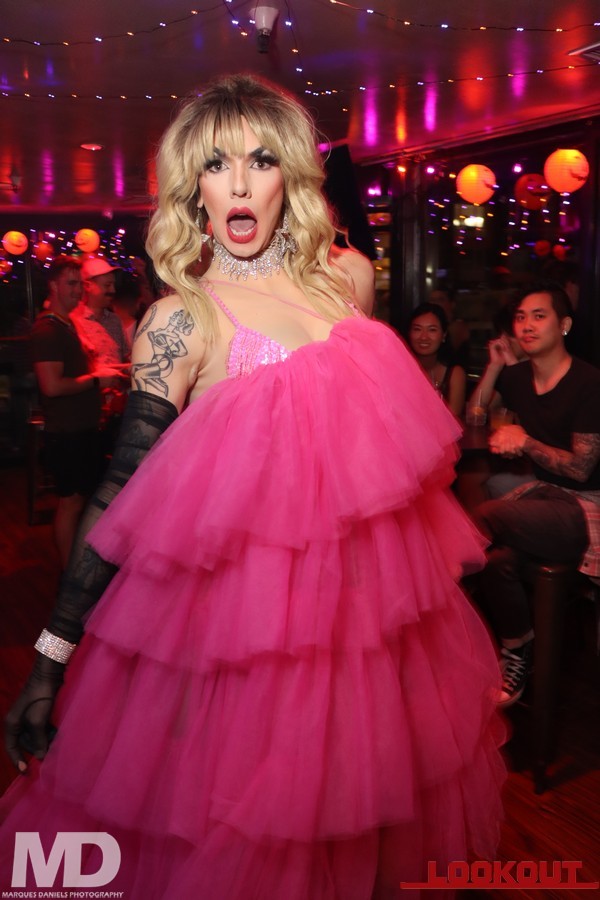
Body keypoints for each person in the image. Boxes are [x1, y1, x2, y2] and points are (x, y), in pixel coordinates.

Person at [1, 75, 505, 898]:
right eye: (215, 164)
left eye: (261, 160)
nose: (238, 183)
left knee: (355, 813)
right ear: (192, 189)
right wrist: (51, 660)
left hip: (356, 620)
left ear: (290, 178)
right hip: (241, 633)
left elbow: (380, 464)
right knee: (237, 832)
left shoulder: (347, 284)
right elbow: (119, 495)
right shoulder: (182, 318)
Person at [473, 281, 600, 706]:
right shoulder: (518, 377)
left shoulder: (589, 383)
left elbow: (582, 468)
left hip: (587, 507)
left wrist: (525, 441)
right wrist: (494, 367)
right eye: (520, 317)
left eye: (539, 316)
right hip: (546, 499)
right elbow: (476, 416)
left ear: (564, 325)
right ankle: (518, 647)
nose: (526, 325)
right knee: (496, 563)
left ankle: (436, 605)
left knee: (484, 515)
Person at [28, 256, 122, 566]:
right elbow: (52, 386)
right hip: (66, 432)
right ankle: (70, 575)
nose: (77, 291)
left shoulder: (66, 325)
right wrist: (96, 381)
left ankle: (79, 569)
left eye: (79, 284)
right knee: (70, 503)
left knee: (81, 500)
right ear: (53, 286)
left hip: (82, 427)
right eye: (70, 284)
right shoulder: (48, 330)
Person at [406, 301, 466, 416]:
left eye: (432, 330)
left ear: (444, 335)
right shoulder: (399, 369)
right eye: (417, 329)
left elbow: (452, 421)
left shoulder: (454, 373)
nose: (424, 337)